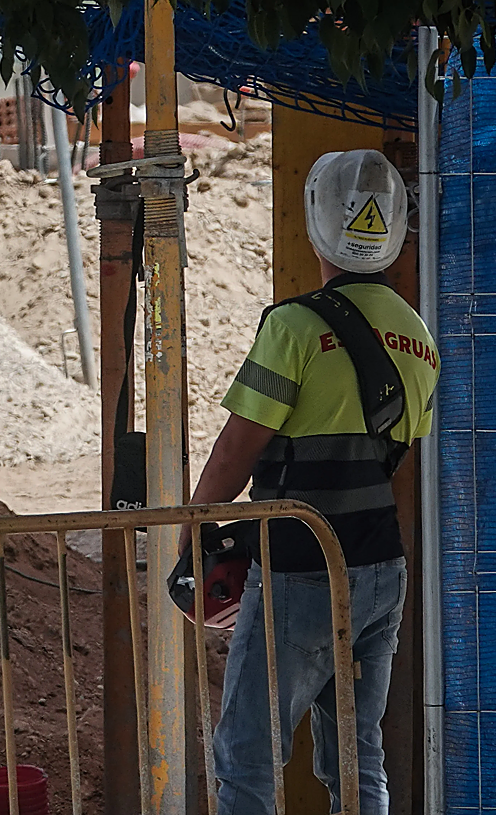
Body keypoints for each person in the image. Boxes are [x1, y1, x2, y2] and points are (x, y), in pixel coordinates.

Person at [184, 149, 439, 814]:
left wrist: (192, 528)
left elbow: (237, 450)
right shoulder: (418, 337)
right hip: (381, 566)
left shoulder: (292, 327)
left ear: (315, 223)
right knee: (357, 756)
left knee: (247, 755)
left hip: (300, 565)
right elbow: (397, 453)